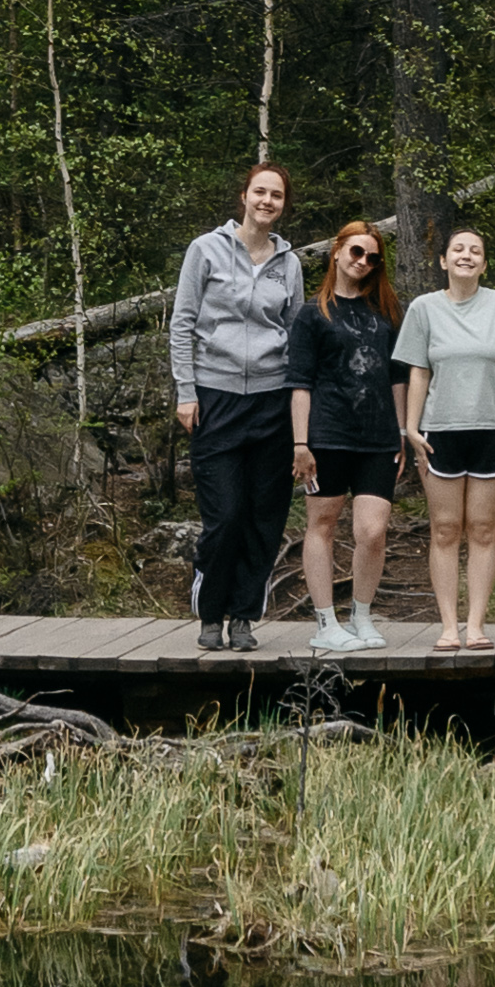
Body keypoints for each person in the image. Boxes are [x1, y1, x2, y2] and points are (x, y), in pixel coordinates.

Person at [170, 160, 304, 653]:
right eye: (260, 193)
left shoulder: (288, 263)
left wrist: (297, 409)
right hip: (215, 399)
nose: (267, 202)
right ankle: (210, 615)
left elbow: (293, 337)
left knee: (263, 516)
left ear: (283, 206)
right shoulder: (205, 250)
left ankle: (245, 616)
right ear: (244, 197)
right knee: (224, 516)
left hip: (271, 403)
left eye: (277, 196)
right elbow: (182, 323)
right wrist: (186, 390)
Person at [393, 228, 495, 649]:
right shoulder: (424, 308)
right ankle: (449, 626)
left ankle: (476, 626)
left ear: (484, 264)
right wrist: (411, 428)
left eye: (476, 251)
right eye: (458, 249)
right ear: (443, 261)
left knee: (484, 529)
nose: (466, 256)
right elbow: (417, 370)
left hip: (494, 429)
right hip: (440, 431)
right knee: (446, 529)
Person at [286, 216, 407, 654]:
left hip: (378, 438)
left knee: (373, 530)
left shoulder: (386, 313)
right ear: (337, 251)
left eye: (372, 257)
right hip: (327, 435)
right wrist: (300, 444)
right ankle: (324, 621)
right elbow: (299, 382)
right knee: (321, 524)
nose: (363, 261)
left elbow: (398, 377)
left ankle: (361, 614)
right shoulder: (311, 314)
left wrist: (401, 433)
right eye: (356, 251)